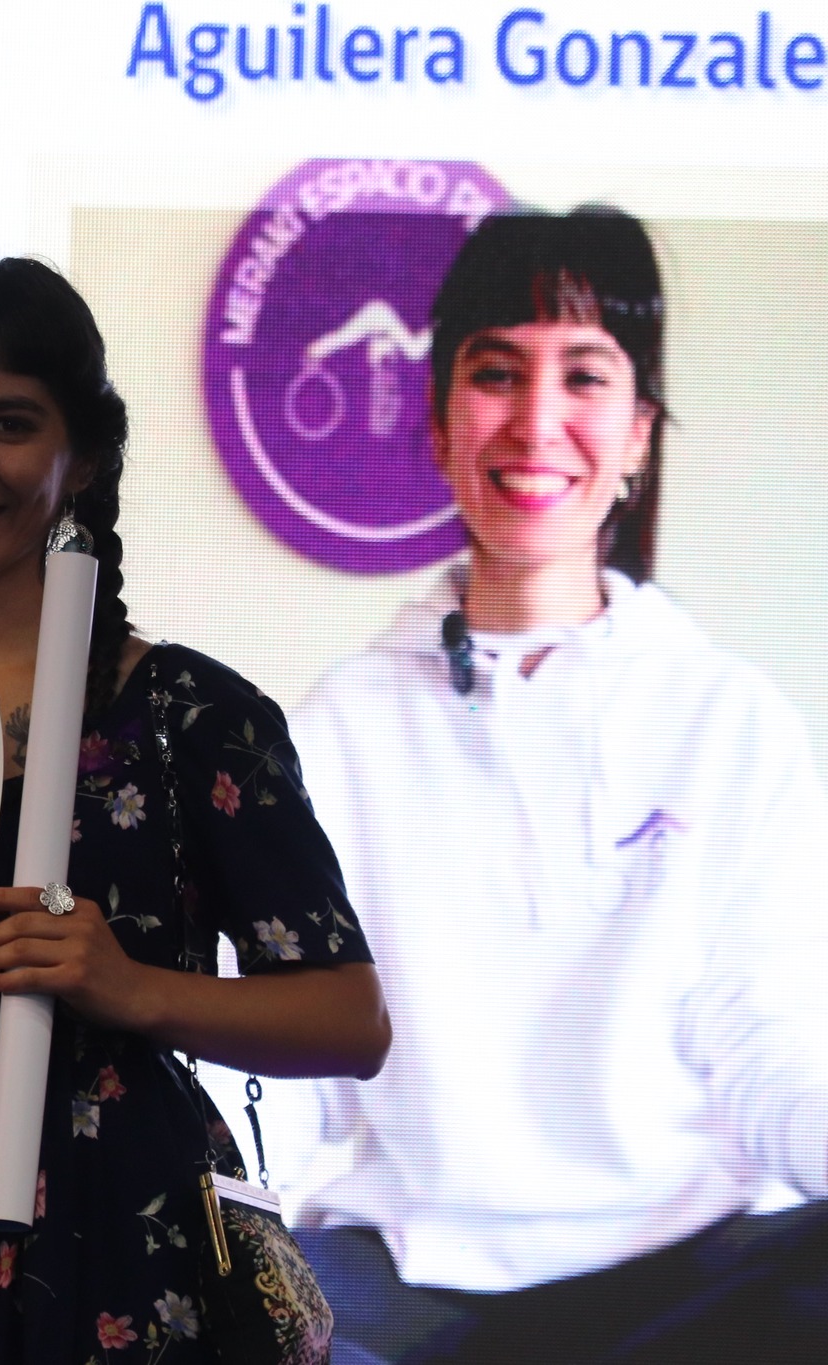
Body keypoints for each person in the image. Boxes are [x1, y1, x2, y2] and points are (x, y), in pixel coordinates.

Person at [0, 258, 390, 1363]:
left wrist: (129, 986)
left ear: (84, 457)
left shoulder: (187, 713)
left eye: (7, 423)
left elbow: (349, 1019)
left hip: (117, 1251)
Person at [288, 207, 828, 1362]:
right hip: (413, 1277)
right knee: (202, 1299)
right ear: (438, 425)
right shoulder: (330, 731)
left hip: (691, 1270)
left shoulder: (727, 719)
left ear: (636, 435)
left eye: (581, 376)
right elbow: (293, 1069)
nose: (535, 421)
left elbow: (766, 1039)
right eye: (494, 374)